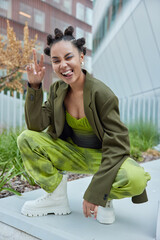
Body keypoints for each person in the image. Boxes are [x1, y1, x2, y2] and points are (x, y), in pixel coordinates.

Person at [17, 26, 151, 224]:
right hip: (71, 153)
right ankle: (56, 198)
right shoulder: (57, 89)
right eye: (56, 60)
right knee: (26, 138)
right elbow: (36, 126)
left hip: (103, 157)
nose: (63, 65)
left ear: (81, 57)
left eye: (68, 57)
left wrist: (96, 192)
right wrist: (35, 87)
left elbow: (119, 145)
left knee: (137, 178)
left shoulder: (102, 94)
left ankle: (106, 198)